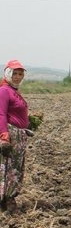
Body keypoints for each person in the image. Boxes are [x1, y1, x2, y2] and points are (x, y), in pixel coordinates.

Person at [0, 59, 29, 213]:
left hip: (19, 136)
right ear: (8, 73)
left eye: (20, 74)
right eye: (15, 73)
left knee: (16, 167)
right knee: (9, 167)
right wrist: (4, 137)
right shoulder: (4, 91)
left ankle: (7, 199)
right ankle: (7, 200)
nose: (18, 77)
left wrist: (27, 124)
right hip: (10, 135)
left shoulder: (14, 91)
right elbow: (1, 114)